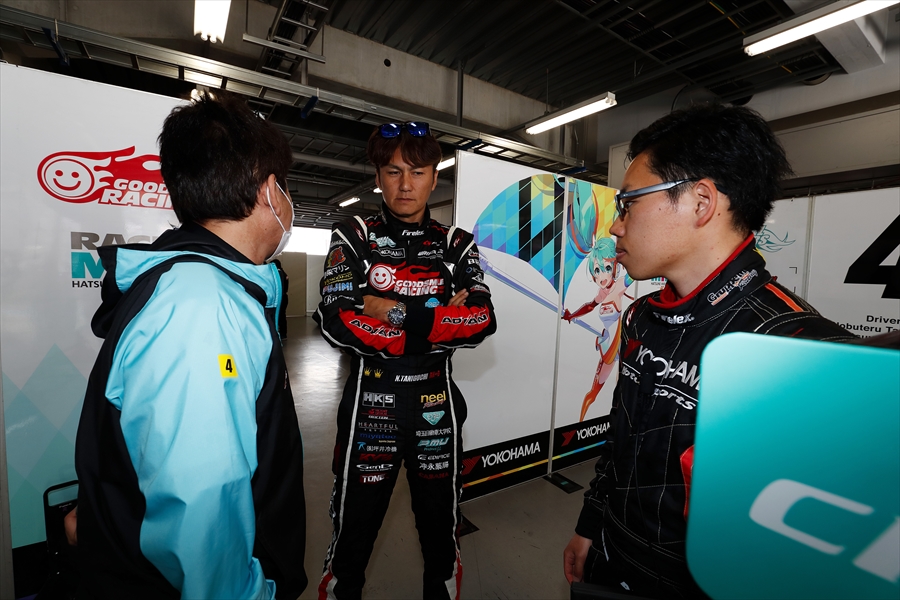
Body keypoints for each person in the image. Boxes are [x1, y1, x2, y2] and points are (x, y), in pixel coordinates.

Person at [562, 104, 855, 598]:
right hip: (612, 554)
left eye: (628, 203)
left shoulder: (797, 348)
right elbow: (619, 444)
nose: (615, 226)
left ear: (701, 202)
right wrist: (591, 525)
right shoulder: (641, 317)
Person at [74, 91, 307, 600]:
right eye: (287, 187)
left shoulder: (202, 287)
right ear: (271, 192)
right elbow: (202, 505)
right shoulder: (200, 304)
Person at [313, 121, 497, 600]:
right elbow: (335, 320)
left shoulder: (457, 243)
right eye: (393, 172)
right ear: (378, 177)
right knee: (351, 538)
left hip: (436, 403)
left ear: (435, 178)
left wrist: (390, 311)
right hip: (369, 403)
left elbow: (481, 321)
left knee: (441, 538)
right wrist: (436, 324)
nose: (405, 184)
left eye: (417, 172)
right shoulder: (354, 233)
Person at [562, 237, 634, 422]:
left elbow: (635, 272)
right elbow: (590, 306)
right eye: (597, 270)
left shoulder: (620, 285)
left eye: (607, 268)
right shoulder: (602, 292)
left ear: (615, 267)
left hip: (621, 345)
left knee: (625, 390)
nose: (602, 276)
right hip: (608, 347)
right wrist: (571, 315)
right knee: (593, 393)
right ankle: (579, 424)